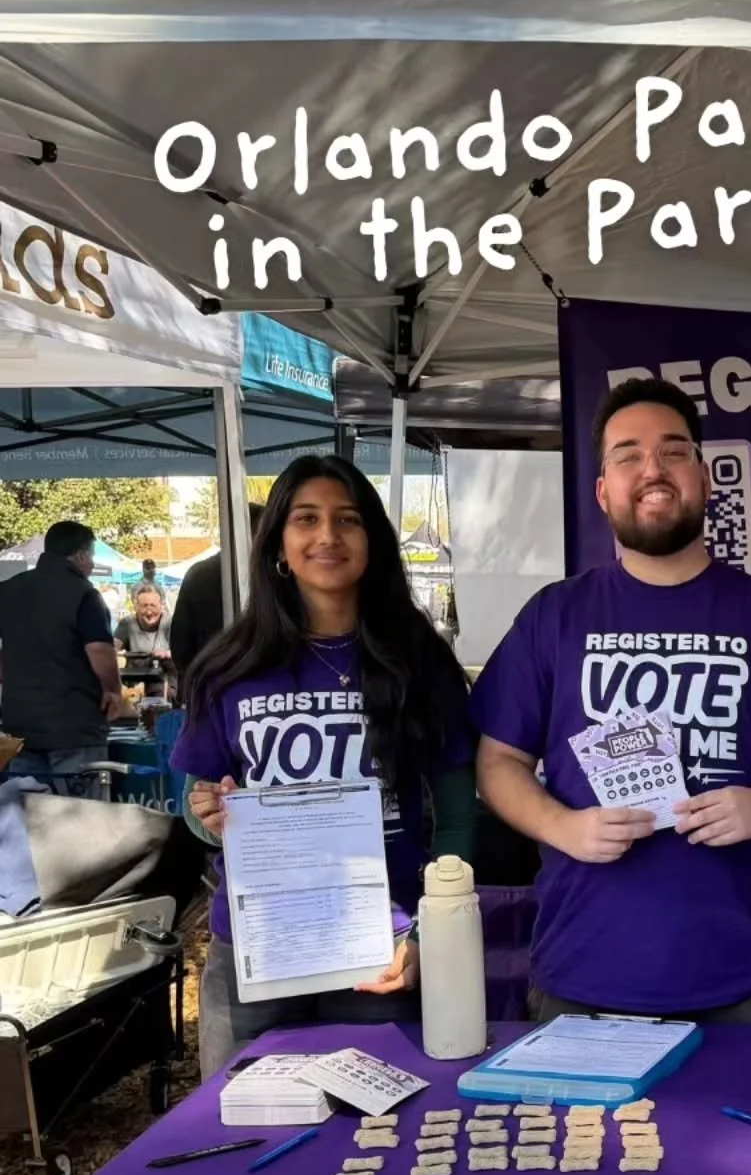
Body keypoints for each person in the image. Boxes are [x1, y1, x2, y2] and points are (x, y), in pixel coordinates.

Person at [474, 376, 751, 1022]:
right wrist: (562, 827)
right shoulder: (554, 616)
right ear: (603, 492)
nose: (652, 470)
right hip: (582, 973)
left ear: (705, 478)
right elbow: (497, 762)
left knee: (748, 1129)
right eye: (627, 455)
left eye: (673, 451)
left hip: (740, 976)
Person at [172, 456, 478, 1078]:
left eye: (348, 520)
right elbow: (195, 809)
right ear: (280, 544)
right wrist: (210, 813)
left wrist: (427, 933)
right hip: (257, 944)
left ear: (374, 541)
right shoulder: (229, 667)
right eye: (306, 519)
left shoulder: (421, 663)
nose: (327, 536)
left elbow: (457, 816)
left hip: (383, 946)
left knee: (376, 1134)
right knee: (242, 1126)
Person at [0, 520, 124, 797]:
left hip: (19, 727)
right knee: (83, 823)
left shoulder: (7, 591)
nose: (91, 564)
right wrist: (113, 690)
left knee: (28, 823)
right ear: (81, 555)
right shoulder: (83, 594)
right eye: (91, 556)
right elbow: (100, 650)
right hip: (75, 726)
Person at [169, 504, 265, 697]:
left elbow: (180, 644)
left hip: (208, 685)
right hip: (255, 688)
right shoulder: (269, 574)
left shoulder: (197, 573)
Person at [114, 582, 173, 662]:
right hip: (136, 673)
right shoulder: (127, 623)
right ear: (136, 607)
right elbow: (112, 648)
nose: (149, 612)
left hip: (166, 673)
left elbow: (187, 651)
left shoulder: (171, 623)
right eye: (144, 606)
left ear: (162, 606)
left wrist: (167, 653)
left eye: (153, 605)